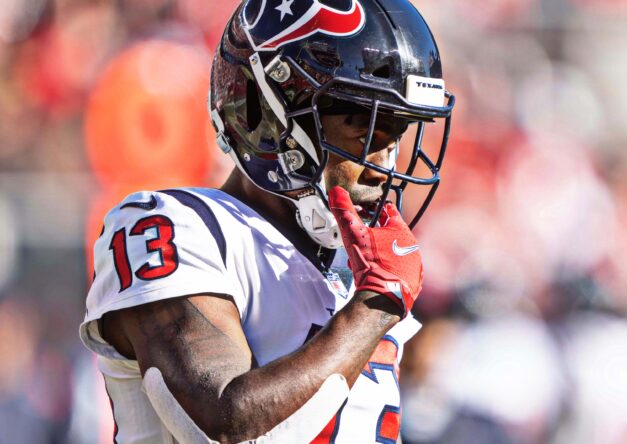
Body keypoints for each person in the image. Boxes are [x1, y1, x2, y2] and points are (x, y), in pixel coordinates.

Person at [78, 0, 454, 442]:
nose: (383, 163)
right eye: (360, 125)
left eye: (396, 131)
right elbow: (223, 426)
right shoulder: (174, 226)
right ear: (266, 116)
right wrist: (373, 308)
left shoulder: (356, 265)